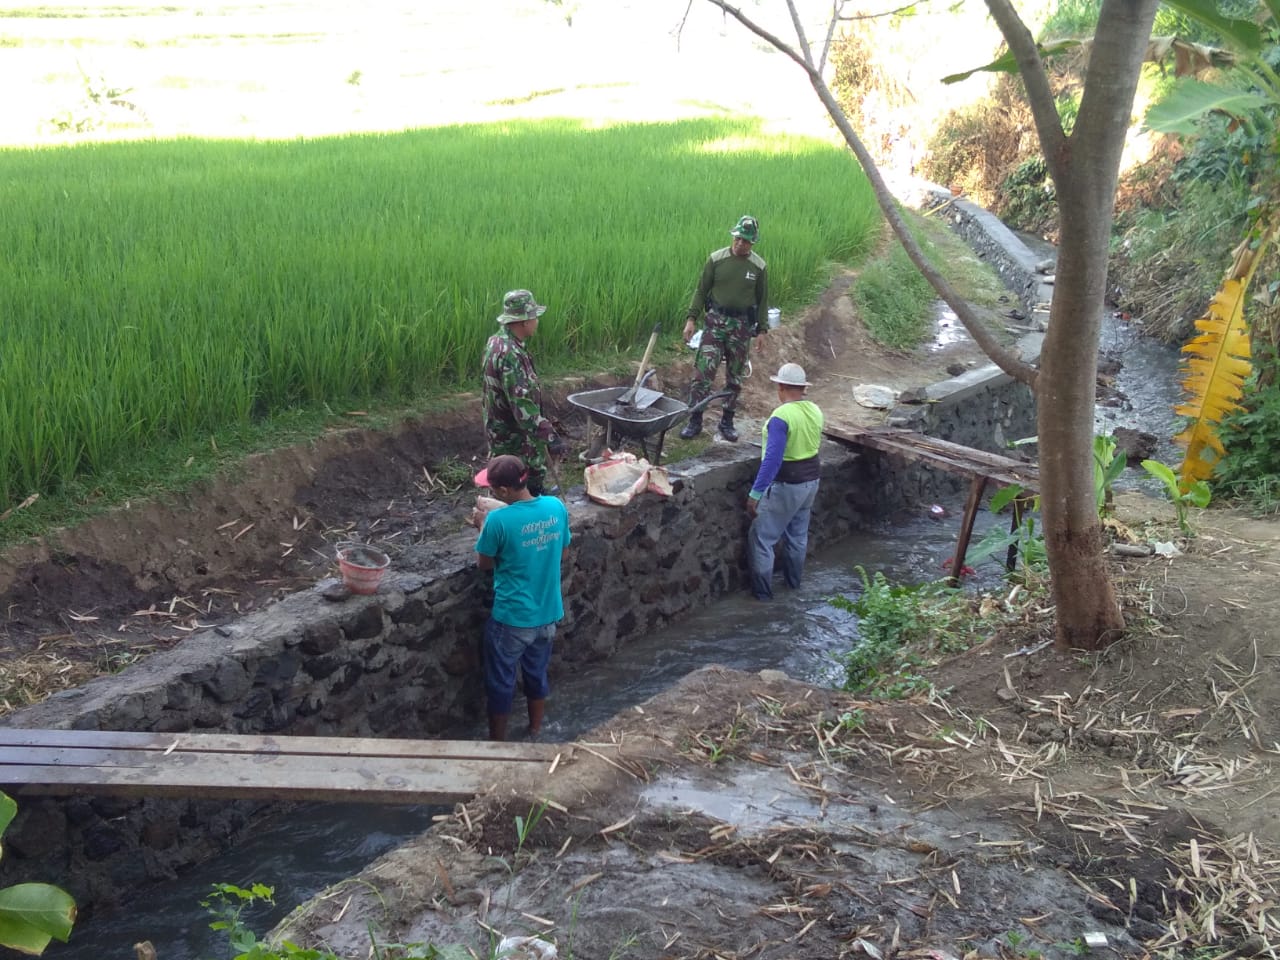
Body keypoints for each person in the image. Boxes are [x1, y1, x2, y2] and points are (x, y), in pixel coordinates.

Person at [470, 454, 571, 742]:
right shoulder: (555, 506)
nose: (490, 493)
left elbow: (485, 564)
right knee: (536, 674)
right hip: (548, 613)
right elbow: (562, 553)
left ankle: (498, 744)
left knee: (501, 682)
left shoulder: (497, 520)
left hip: (512, 618)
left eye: (492, 488)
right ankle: (536, 731)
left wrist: (481, 527)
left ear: (503, 492)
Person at [680, 214, 769, 443]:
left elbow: (762, 300)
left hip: (741, 327)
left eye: (746, 241)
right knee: (703, 372)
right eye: (738, 238)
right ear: (734, 236)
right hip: (715, 323)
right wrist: (691, 319)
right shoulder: (716, 260)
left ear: (753, 242)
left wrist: (761, 330)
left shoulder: (758, 267)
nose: (740, 243)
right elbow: (701, 291)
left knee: (735, 377)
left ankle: (727, 422)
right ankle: (695, 419)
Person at [746, 363, 823, 601]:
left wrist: (756, 494)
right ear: (803, 389)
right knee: (797, 537)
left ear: (780, 387)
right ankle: (794, 586)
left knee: (761, 539)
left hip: (787, 485)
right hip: (811, 481)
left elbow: (772, 460)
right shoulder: (815, 410)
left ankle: (763, 596)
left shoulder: (781, 416)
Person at [482, 289, 566, 497]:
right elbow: (522, 407)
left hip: (501, 430)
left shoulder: (497, 341)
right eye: (534, 317)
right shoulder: (511, 354)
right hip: (513, 435)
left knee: (506, 476)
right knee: (523, 480)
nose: (537, 321)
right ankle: (533, 513)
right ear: (524, 322)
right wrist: (549, 435)